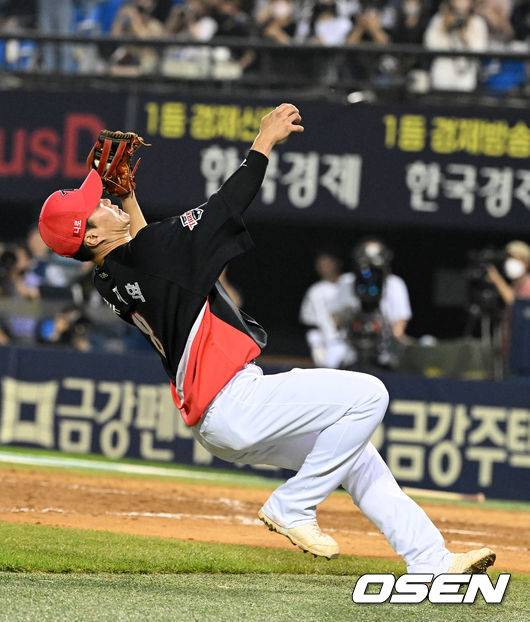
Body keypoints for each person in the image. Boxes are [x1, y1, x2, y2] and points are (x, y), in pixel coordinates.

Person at [38, 104, 494, 575]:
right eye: (96, 207)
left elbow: (148, 250)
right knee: (369, 394)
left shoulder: (109, 277)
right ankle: (293, 505)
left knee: (358, 459)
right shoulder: (151, 256)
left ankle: (431, 560)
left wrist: (129, 199)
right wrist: (264, 141)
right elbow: (225, 207)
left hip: (220, 420)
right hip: (236, 401)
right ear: (89, 236)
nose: (105, 200)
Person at [299, 252, 355, 368]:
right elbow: (316, 320)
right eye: (321, 265)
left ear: (337, 263)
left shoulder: (349, 281)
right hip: (326, 339)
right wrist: (325, 343)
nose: (325, 268)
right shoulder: (316, 290)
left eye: (328, 264)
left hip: (351, 336)